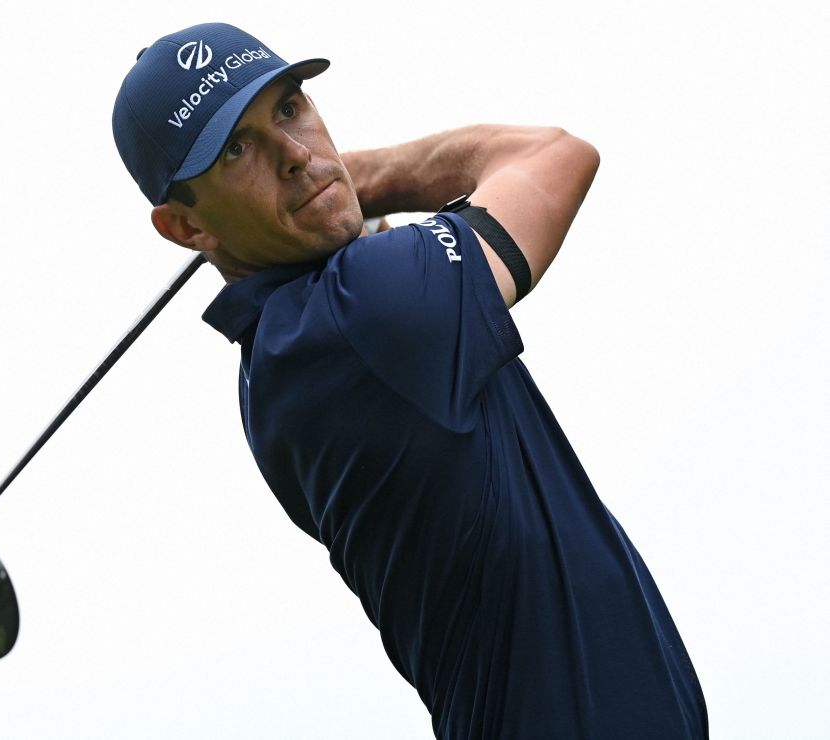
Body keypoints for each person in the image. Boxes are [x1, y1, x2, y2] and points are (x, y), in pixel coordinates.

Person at [113, 22, 708, 740]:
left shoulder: (287, 351)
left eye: (290, 108)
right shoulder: (364, 312)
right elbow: (553, 156)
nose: (296, 155)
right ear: (184, 228)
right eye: (238, 150)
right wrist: (356, 179)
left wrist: (326, 201)